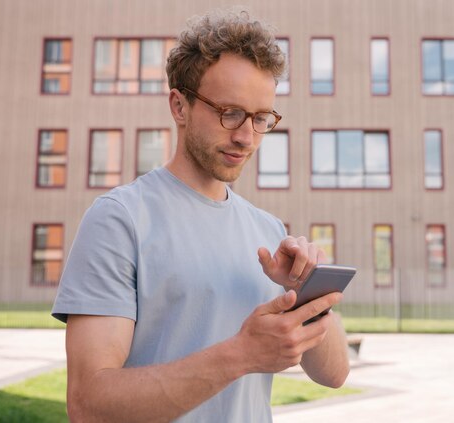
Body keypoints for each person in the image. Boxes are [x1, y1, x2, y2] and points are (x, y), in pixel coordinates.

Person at [52, 9, 350, 422]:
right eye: (229, 112)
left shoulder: (268, 230)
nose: (246, 136)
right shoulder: (120, 220)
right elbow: (89, 405)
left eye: (261, 118)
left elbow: (335, 375)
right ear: (179, 105)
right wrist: (240, 355)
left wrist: (307, 291)